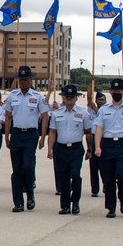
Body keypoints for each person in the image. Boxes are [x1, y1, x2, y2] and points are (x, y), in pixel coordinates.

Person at [93, 78, 123, 218]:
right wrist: (98, 146)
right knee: (108, 179)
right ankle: (111, 207)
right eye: (114, 91)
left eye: (119, 91)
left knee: (121, 174)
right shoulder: (104, 110)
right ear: (110, 92)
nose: (116, 93)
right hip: (107, 145)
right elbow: (99, 129)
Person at [4, 66, 49, 212]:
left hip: (31, 134)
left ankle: (30, 194)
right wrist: (6, 137)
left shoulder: (37, 96)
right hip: (16, 134)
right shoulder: (12, 96)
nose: (23, 82)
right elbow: (8, 117)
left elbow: (45, 116)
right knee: (17, 169)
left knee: (28, 166)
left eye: (26, 79)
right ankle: (18, 202)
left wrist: (42, 138)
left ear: (30, 80)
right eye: (21, 79)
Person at [46, 84, 93, 215]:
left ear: (76, 98)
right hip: (61, 148)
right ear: (63, 98)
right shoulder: (56, 114)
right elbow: (53, 132)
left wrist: (89, 149)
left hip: (76, 148)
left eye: (72, 96)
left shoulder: (83, 113)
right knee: (64, 178)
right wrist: (49, 149)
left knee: (75, 175)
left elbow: (88, 132)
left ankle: (75, 201)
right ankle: (65, 205)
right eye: (67, 96)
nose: (70, 99)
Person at [87, 90, 106, 196]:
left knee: (103, 165)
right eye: (98, 100)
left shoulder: (107, 109)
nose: (100, 101)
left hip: (103, 138)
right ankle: (94, 189)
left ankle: (106, 185)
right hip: (93, 137)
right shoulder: (90, 108)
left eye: (102, 100)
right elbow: (88, 96)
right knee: (93, 165)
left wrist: (95, 108)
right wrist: (91, 81)